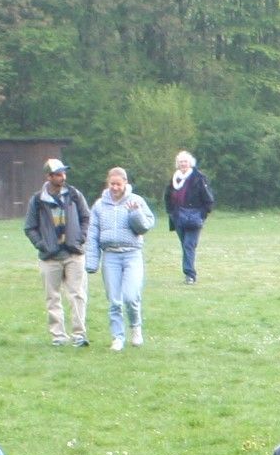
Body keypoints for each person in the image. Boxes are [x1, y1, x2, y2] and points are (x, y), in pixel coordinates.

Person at [83, 166, 153, 351]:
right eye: (112, 184)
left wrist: (135, 213)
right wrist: (91, 261)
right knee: (114, 300)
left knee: (131, 296)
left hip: (132, 254)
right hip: (110, 255)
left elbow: (145, 226)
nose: (115, 187)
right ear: (108, 183)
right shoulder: (99, 205)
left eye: (118, 184)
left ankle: (135, 328)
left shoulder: (136, 201)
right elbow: (92, 233)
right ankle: (117, 337)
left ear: (125, 184)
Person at [23, 158, 91, 346]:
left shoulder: (75, 194)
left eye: (63, 173)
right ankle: (58, 336)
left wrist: (81, 237)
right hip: (49, 257)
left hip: (74, 254)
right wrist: (41, 244)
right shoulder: (37, 200)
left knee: (77, 294)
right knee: (52, 297)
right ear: (49, 176)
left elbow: (86, 217)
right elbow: (29, 227)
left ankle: (79, 335)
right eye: (58, 173)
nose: (63, 176)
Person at [165, 150, 215, 285]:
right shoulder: (174, 179)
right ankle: (189, 272)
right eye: (180, 162)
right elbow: (168, 196)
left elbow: (208, 198)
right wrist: (171, 212)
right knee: (185, 244)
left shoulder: (199, 177)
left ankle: (190, 275)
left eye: (185, 161)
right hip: (178, 217)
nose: (183, 164)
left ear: (190, 163)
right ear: (177, 164)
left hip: (194, 217)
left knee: (189, 245)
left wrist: (202, 215)